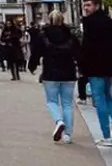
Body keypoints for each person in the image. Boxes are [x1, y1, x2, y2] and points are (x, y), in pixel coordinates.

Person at [80, 0, 112, 147]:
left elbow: (87, 48)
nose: (86, 8)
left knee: (99, 99)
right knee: (108, 95)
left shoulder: (89, 24)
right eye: (85, 5)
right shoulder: (111, 23)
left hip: (95, 68)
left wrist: (82, 67)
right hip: (110, 67)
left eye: (89, 5)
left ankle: (106, 137)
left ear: (97, 6)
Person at [29, 10, 80, 143]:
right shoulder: (70, 35)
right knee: (67, 104)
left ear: (50, 20)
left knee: (52, 102)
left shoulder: (43, 35)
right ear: (62, 20)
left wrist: (32, 66)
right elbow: (79, 54)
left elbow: (36, 52)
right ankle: (67, 135)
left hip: (50, 73)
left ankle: (59, 121)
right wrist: (82, 68)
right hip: (69, 73)